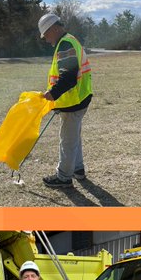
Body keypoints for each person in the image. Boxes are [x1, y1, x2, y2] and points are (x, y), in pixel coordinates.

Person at [36, 12, 94, 188]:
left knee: (67, 140)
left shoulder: (64, 45)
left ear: (54, 28)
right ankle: (78, 169)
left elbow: (68, 76)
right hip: (80, 98)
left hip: (73, 101)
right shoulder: (69, 40)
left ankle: (63, 177)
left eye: (46, 34)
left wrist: (53, 93)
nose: (46, 39)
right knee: (73, 137)